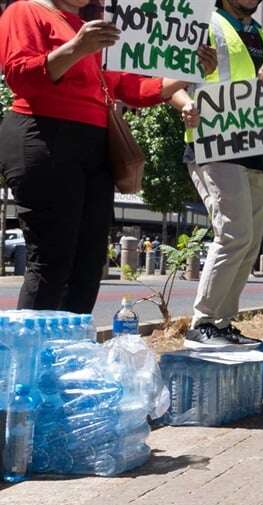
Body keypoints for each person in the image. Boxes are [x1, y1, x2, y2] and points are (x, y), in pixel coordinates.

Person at [0, 0, 208, 313]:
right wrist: (76, 48)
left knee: (88, 264)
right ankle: (31, 356)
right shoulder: (26, 11)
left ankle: (72, 351)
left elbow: (129, 85)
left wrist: (192, 70)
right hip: (42, 136)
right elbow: (20, 76)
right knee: (51, 259)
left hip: (95, 144)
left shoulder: (101, 24)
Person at [170, 0, 263, 350]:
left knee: (250, 241)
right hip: (212, 144)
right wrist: (186, 103)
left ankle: (222, 323)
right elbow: (171, 79)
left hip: (255, 148)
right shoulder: (207, 25)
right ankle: (203, 322)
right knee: (234, 232)